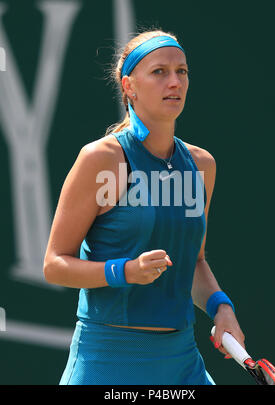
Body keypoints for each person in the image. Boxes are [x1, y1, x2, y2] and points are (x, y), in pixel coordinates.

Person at [43, 29, 245, 385]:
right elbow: (55, 265)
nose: (175, 82)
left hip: (182, 361)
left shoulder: (202, 165)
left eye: (182, 71)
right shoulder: (101, 159)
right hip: (107, 360)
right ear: (129, 86)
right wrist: (123, 271)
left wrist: (222, 308)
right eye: (159, 72)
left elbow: (194, 261)